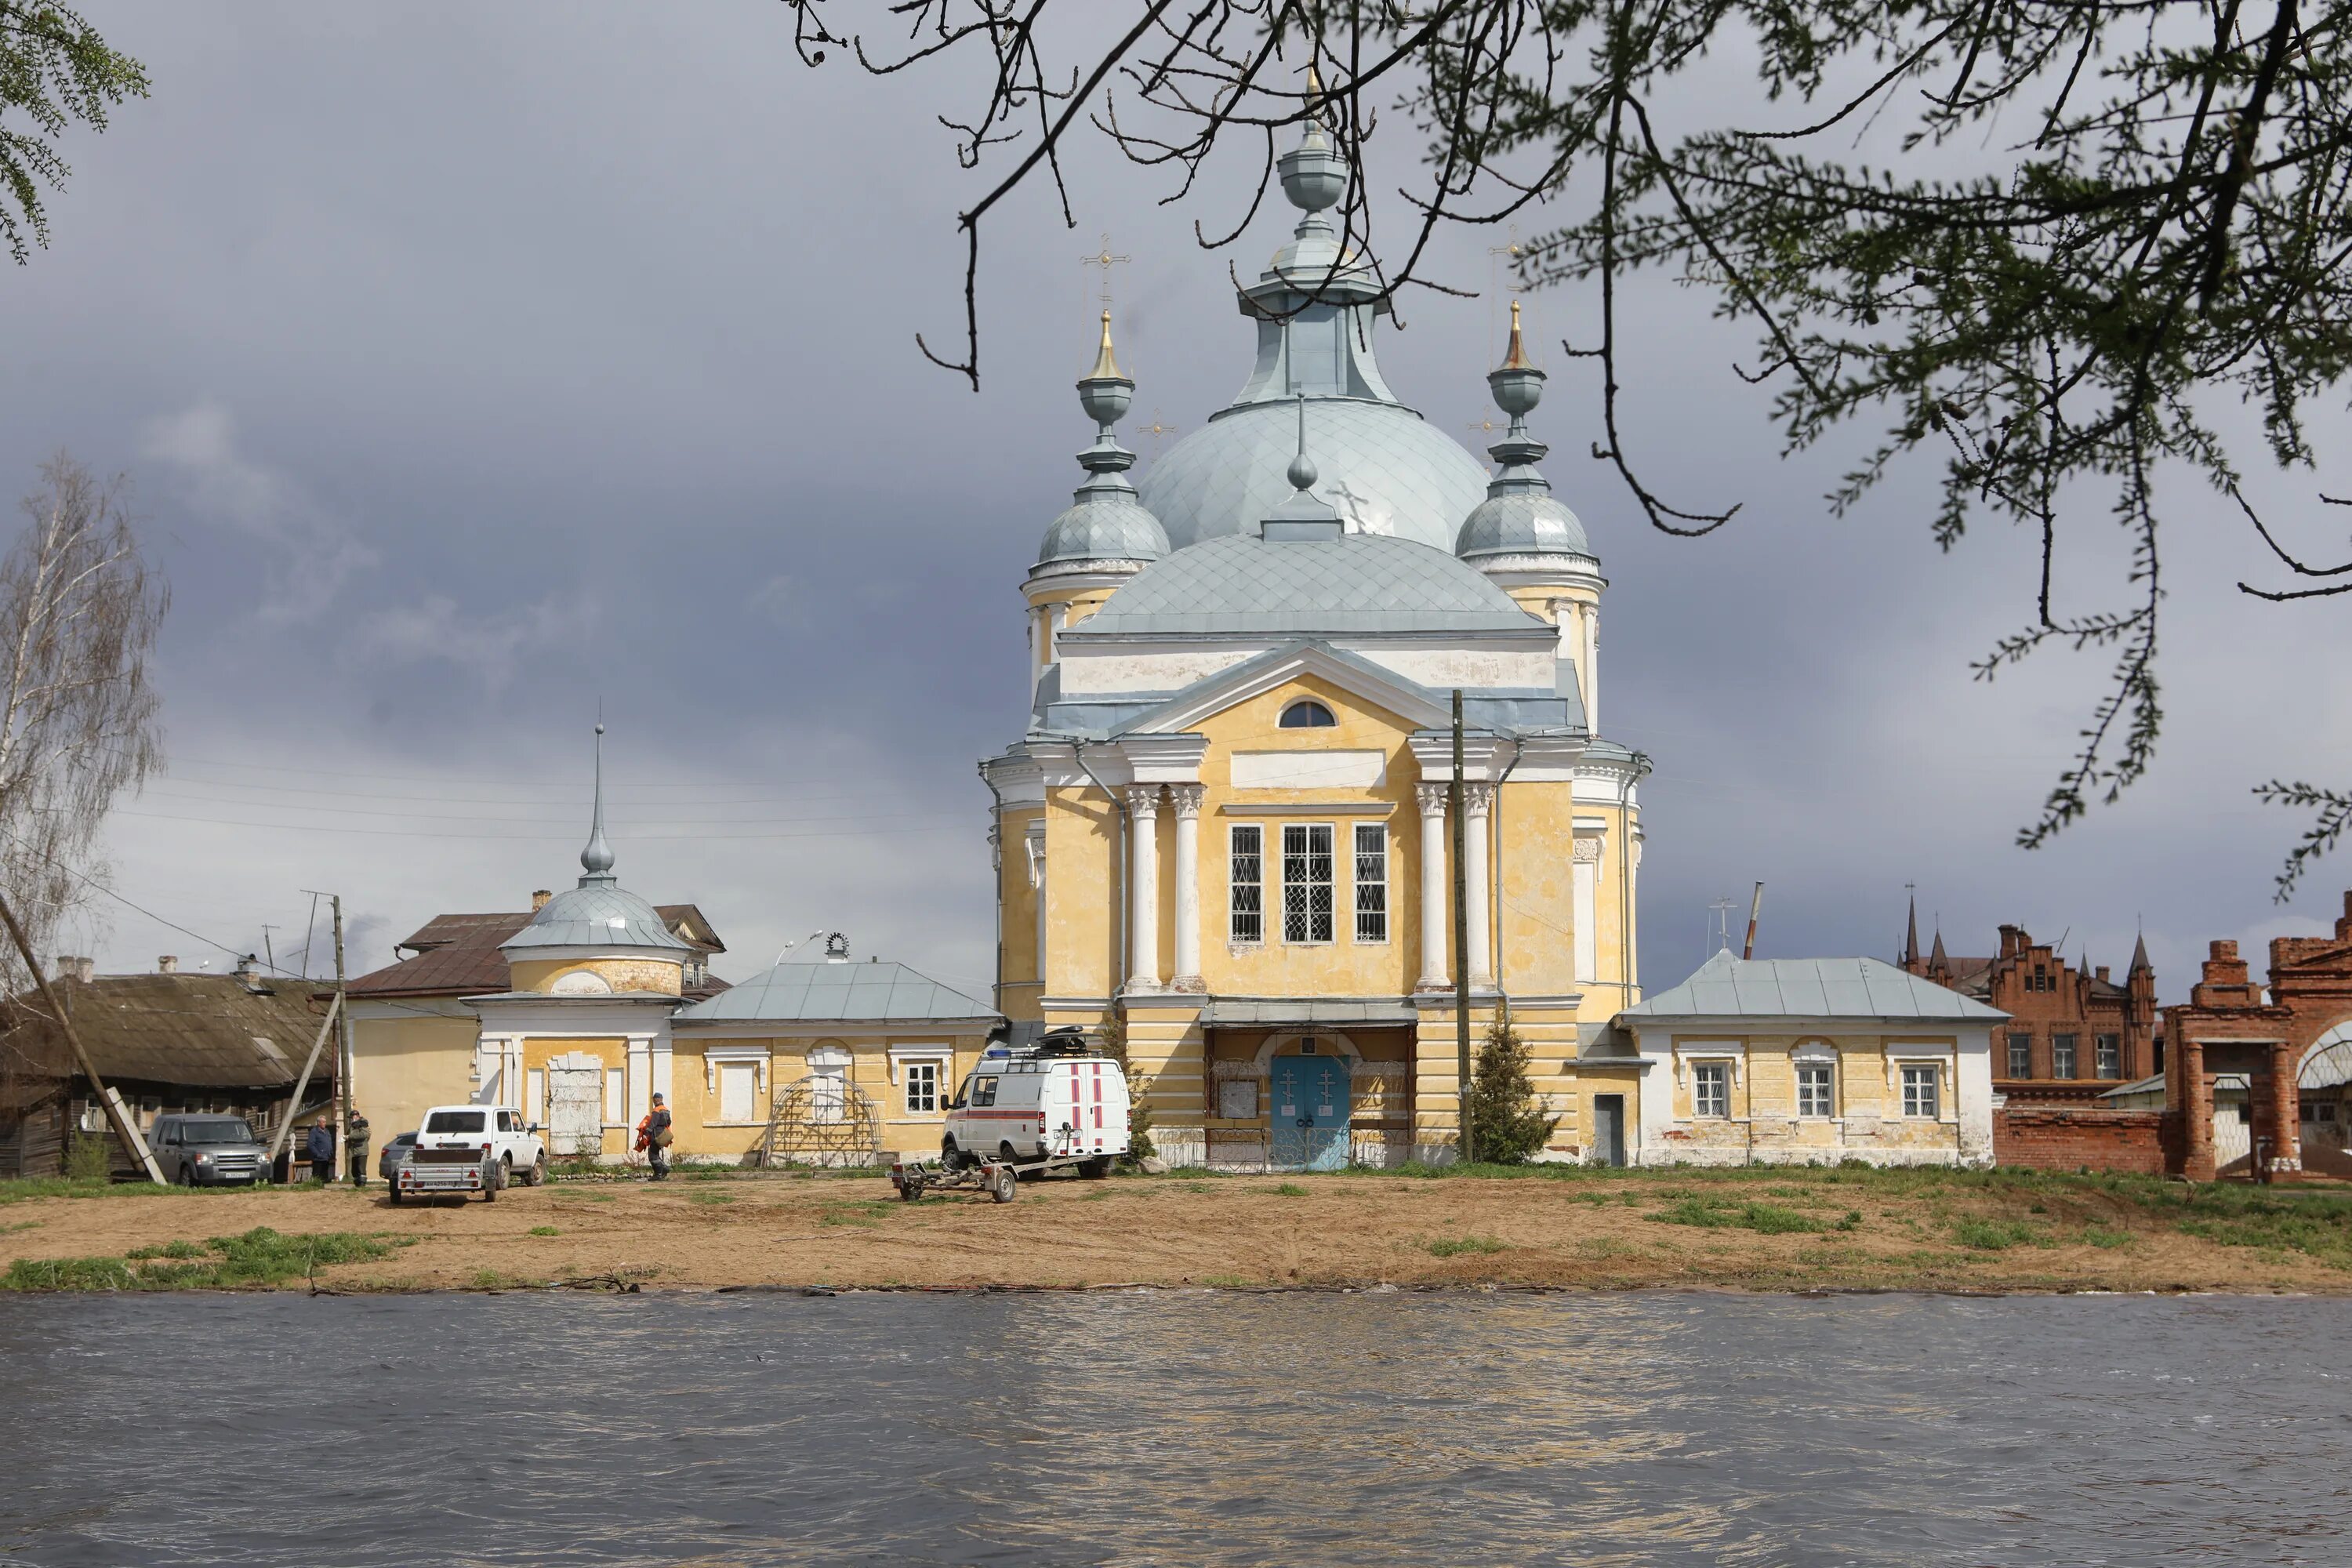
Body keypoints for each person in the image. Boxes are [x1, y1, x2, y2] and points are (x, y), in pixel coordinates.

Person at [638, 1093, 673, 1180]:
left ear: (657, 1099)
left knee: (652, 1156)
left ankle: (660, 1173)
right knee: (656, 1154)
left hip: (655, 1135)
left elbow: (652, 1124)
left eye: (654, 1099)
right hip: (663, 1135)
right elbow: (669, 1122)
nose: (653, 1101)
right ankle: (661, 1172)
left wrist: (646, 1134)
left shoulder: (656, 1110)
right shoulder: (666, 1110)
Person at [305, 1116, 335, 1185]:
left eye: (325, 1122)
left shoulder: (327, 1131)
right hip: (318, 1159)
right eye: (323, 1122)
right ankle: (315, 1188)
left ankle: (323, 1191)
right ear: (319, 1123)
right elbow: (310, 1144)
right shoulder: (314, 1131)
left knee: (324, 1177)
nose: (325, 1123)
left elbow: (329, 1143)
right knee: (317, 1176)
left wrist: (331, 1153)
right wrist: (317, 1154)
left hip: (326, 1158)